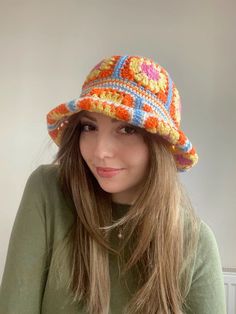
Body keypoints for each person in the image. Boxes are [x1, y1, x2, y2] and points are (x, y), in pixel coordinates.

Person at [0, 55, 226, 314]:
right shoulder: (49, 192)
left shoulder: (194, 243)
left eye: (127, 130)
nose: (100, 151)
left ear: (159, 145)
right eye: (89, 127)